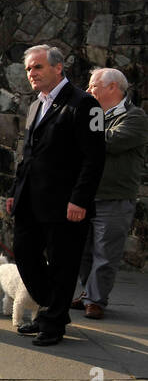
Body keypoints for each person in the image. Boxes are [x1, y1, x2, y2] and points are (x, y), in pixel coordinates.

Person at [5, 45, 105, 346]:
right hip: (30, 200)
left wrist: (80, 200)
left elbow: (94, 158)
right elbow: (28, 155)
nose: (31, 74)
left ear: (58, 68)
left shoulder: (85, 103)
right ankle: (55, 309)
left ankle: (52, 322)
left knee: (63, 264)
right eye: (29, 69)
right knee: (24, 253)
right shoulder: (36, 105)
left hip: (66, 205)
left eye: (38, 67)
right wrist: (14, 191)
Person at [71, 68, 147, 319]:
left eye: (93, 86)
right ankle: (89, 293)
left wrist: (80, 137)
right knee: (81, 250)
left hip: (114, 197)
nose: (89, 90)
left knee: (106, 252)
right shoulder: (92, 114)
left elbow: (109, 142)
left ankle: (96, 299)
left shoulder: (136, 117)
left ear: (113, 87)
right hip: (85, 196)